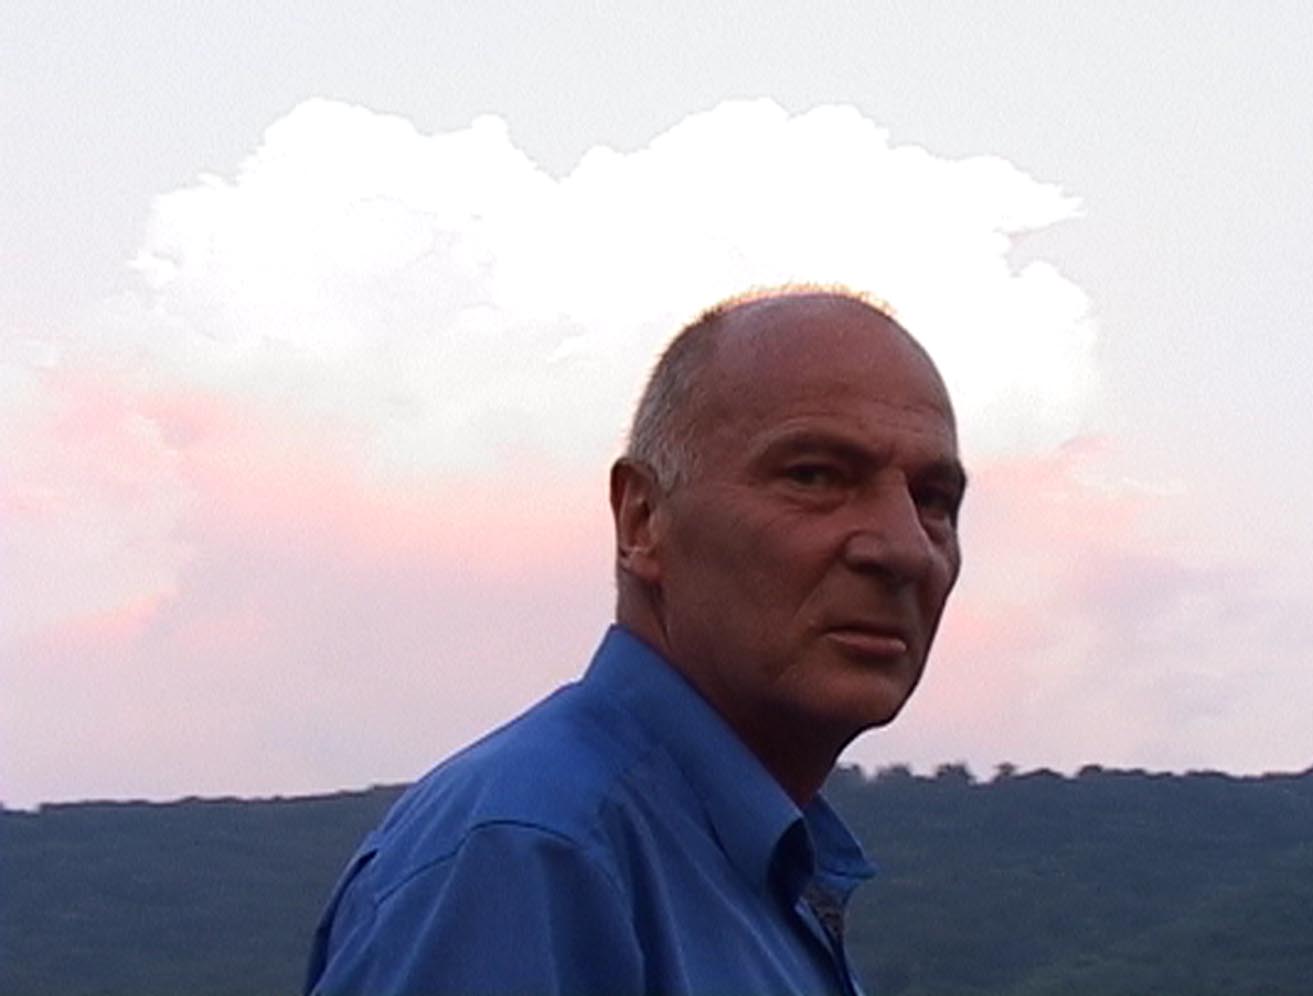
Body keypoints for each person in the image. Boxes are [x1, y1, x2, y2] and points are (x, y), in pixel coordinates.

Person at [305, 288, 966, 995]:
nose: (906, 549)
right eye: (814, 476)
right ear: (642, 519)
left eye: (933, 500)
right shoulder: (531, 855)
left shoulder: (748, 874)